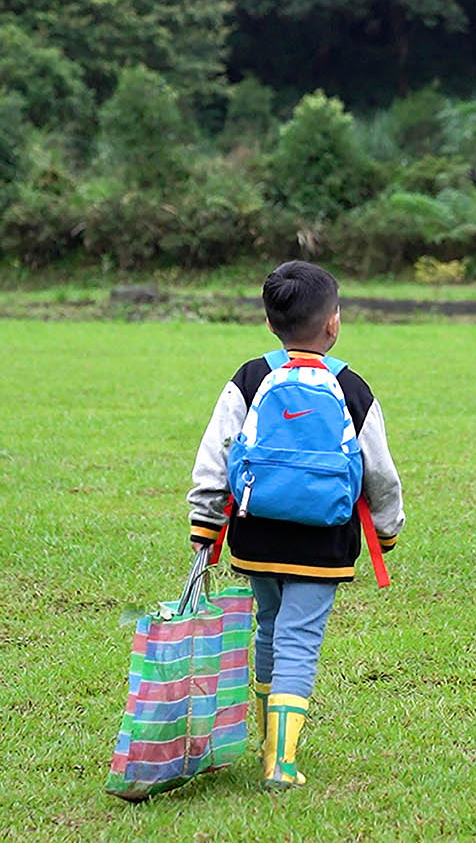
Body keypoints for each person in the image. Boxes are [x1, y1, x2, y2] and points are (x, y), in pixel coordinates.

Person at [186, 260, 405, 789]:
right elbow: (379, 470)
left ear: (269, 323)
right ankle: (280, 763)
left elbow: (216, 454)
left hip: (255, 533)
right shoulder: (351, 386)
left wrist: (204, 522)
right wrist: (388, 526)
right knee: (300, 639)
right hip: (323, 542)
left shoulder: (250, 377)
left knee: (270, 626)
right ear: (333, 323)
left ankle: (267, 743)